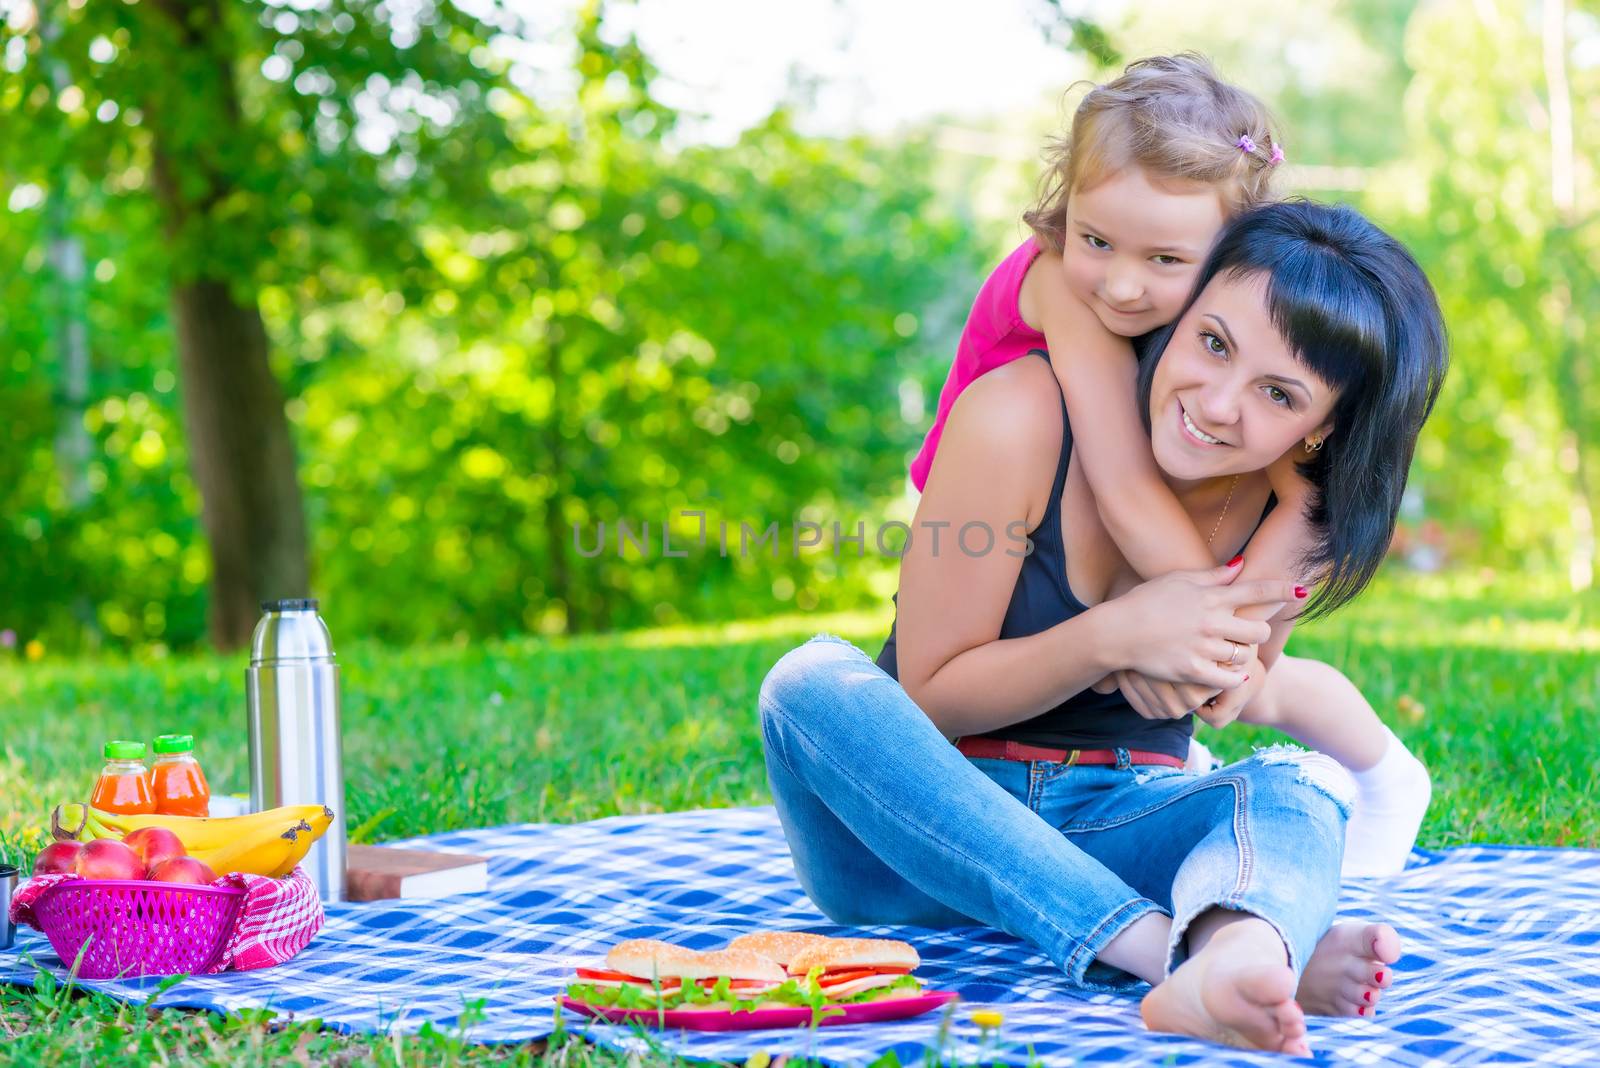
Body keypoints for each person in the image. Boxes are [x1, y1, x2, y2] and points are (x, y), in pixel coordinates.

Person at [758, 200, 1448, 1055]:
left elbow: (1225, 697)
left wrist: (1265, 577)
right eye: (1214, 343)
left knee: (1299, 787)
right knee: (808, 687)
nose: (1220, 403)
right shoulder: (1019, 416)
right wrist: (1114, 637)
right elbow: (927, 703)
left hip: (1112, 817)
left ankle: (1241, 957)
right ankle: (1168, 952)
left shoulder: (1290, 513)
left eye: (1279, 393)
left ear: (1324, 427)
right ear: (1181, 310)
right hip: (911, 834)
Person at [908, 54, 1429, 876]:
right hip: (995, 501)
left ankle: (1360, 793)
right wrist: (1182, 633)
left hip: (1107, 755)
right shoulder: (1063, 294)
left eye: (1164, 261)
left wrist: (1208, 651)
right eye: (1097, 240)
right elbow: (1120, 483)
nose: (1120, 286)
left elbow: (1240, 682)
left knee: (1273, 720)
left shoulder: (1276, 429)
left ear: (1227, 253)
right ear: (1066, 214)